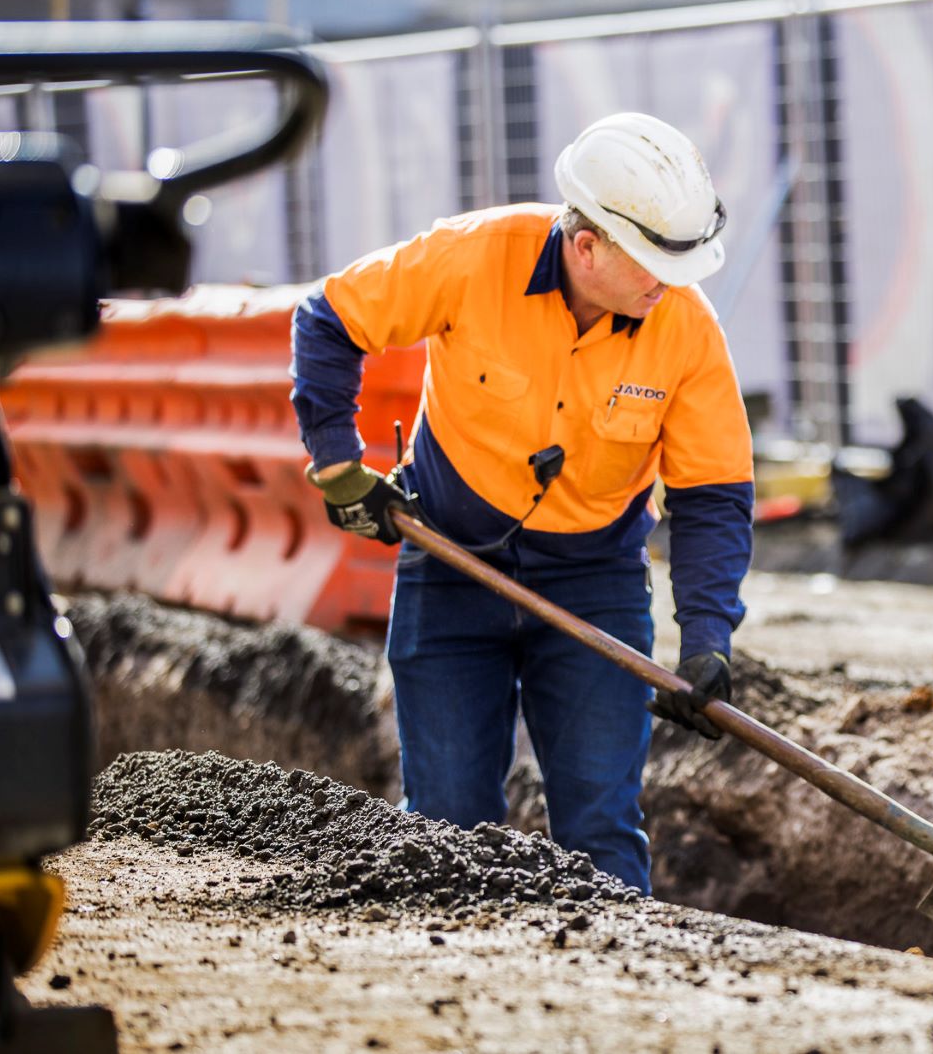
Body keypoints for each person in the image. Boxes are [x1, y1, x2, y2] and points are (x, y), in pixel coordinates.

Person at [289, 112, 754, 895]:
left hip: (593, 580)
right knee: (445, 823)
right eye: (650, 264)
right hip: (450, 559)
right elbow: (330, 318)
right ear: (586, 246)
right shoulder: (473, 257)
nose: (668, 285)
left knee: (601, 823)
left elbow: (712, 494)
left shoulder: (686, 330)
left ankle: (624, 997)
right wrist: (339, 464)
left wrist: (706, 636)